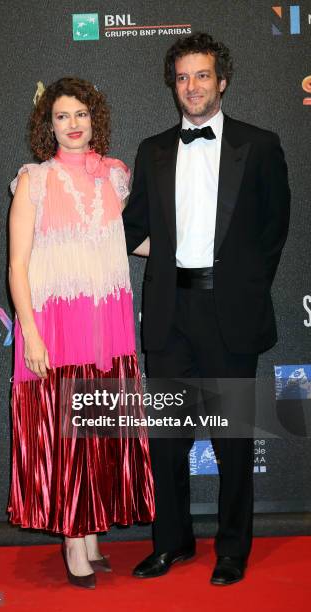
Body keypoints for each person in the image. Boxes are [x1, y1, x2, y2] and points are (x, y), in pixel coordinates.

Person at [123, 32, 290, 585]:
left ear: (221, 80)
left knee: (233, 443)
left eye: (201, 76)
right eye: (182, 78)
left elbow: (274, 230)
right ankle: (172, 543)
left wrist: (240, 286)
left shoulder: (260, 145)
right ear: (173, 85)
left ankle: (233, 550)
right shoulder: (151, 151)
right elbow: (132, 228)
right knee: (168, 443)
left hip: (230, 313)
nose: (191, 87)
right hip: (171, 313)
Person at [7, 77, 155, 589]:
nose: (73, 125)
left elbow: (131, 241)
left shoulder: (115, 176)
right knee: (69, 437)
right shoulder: (34, 180)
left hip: (108, 329)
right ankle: (73, 538)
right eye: (62, 116)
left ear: (96, 120)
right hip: (58, 329)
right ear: (48, 125)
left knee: (98, 433)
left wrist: (198, 247)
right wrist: (31, 334)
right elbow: (17, 265)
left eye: (81, 115)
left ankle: (92, 535)